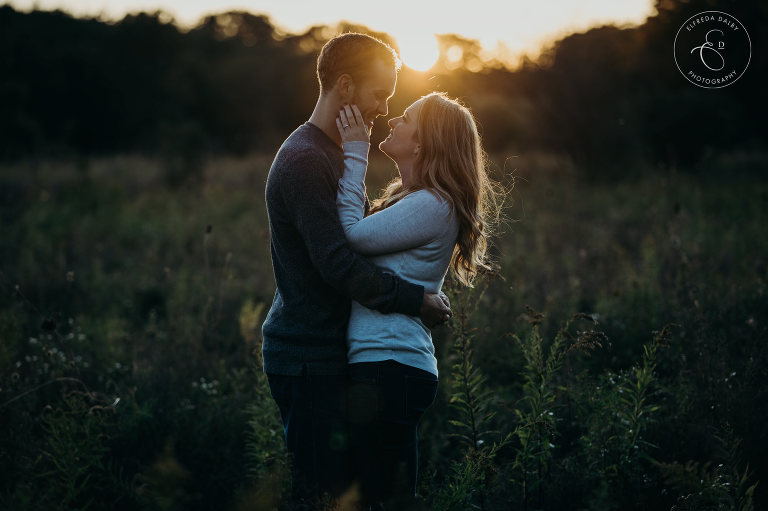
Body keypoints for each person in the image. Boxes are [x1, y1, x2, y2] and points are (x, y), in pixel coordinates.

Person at [261, 33, 452, 504]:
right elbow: (337, 264)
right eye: (378, 94)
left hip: (331, 353)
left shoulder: (335, 154)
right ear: (345, 87)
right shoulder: (307, 161)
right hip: (307, 356)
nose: (384, 108)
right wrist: (416, 300)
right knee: (322, 496)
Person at [335, 93, 498, 509]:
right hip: (386, 366)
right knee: (377, 494)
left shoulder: (432, 204)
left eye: (405, 118)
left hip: (389, 367)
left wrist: (355, 150)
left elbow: (351, 236)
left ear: (423, 142)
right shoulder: (413, 200)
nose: (392, 122)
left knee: (379, 498)